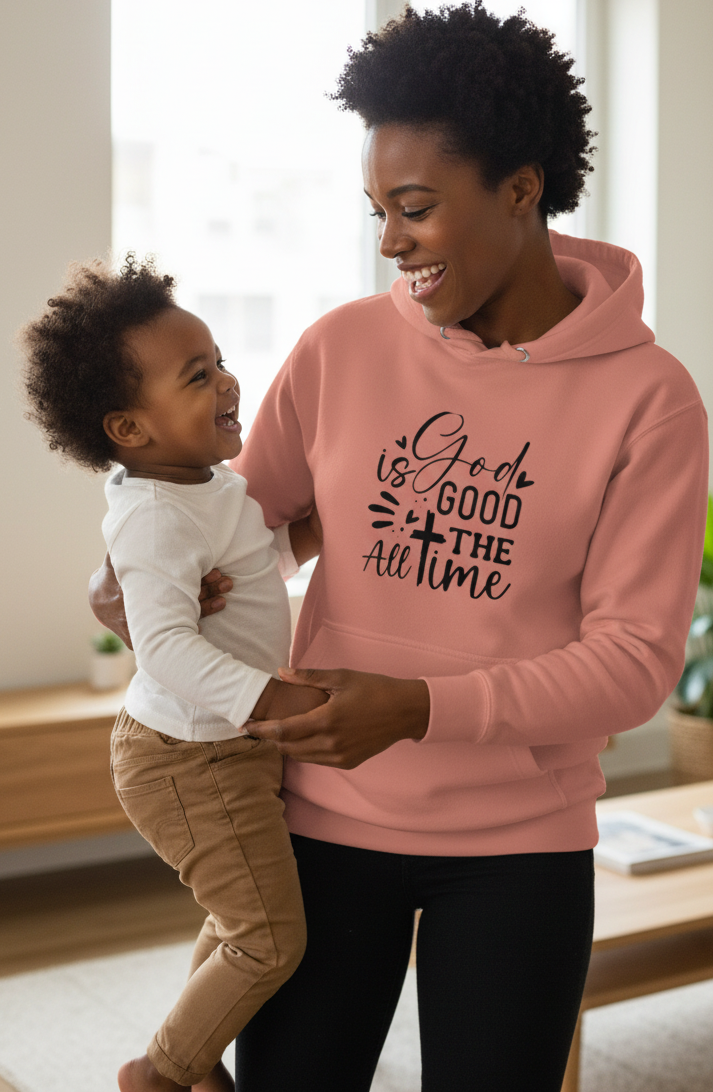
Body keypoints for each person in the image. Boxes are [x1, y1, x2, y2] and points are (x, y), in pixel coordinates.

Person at [91, 4, 709, 1089]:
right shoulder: (339, 349)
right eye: (376, 209)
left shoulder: (649, 402)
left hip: (521, 844)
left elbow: (633, 666)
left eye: (413, 208)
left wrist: (420, 706)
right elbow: (243, 528)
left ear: (521, 188)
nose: (387, 241)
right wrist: (133, 572)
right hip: (322, 823)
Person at [21, 256, 327, 1092]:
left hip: (220, 746)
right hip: (188, 758)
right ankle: (160, 1072)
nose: (228, 382)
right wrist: (275, 700)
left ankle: (195, 1058)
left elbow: (261, 563)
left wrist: (319, 529)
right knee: (269, 937)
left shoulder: (203, 484)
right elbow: (164, 649)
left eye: (221, 359)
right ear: (130, 429)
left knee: (246, 918)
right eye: (198, 376)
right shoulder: (154, 516)